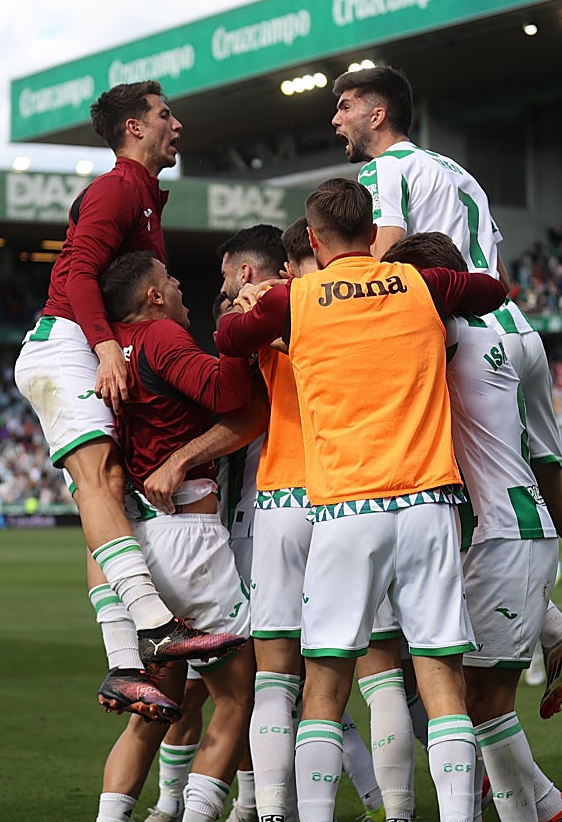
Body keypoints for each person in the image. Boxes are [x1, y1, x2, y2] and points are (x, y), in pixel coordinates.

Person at [330, 64, 562, 714]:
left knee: (455, 492)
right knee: (545, 487)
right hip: (517, 331)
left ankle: (536, 632)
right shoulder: (457, 171)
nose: (336, 119)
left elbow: (382, 264)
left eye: (345, 106)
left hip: (463, 335)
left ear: (377, 114)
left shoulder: (382, 174)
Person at [218, 178, 507, 822]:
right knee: (440, 679)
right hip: (430, 503)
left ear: (313, 240)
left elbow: (230, 341)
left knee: (323, 682)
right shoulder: (423, 286)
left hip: (346, 508)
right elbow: (493, 290)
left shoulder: (296, 300)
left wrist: (254, 301)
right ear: (374, 233)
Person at [13, 81, 242, 721]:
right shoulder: (118, 188)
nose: (178, 124)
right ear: (135, 129)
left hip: (79, 345)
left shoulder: (140, 196)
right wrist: (107, 347)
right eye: (165, 115)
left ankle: (123, 665)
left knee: (106, 497)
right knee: (100, 484)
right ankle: (150, 625)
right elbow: (80, 272)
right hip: (68, 343)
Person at [385, 232, 562, 822]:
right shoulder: (480, 334)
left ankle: (542, 814)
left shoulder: (445, 338)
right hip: (494, 532)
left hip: (506, 534)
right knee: (462, 697)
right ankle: (550, 810)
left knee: (488, 704)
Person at [219, 221, 390, 822]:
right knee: (367, 669)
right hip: (348, 494)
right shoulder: (359, 310)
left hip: (281, 498)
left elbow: (228, 344)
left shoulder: (272, 309)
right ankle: (389, 804)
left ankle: (269, 810)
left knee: (274, 674)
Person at [92, 250, 255, 822]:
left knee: (153, 712)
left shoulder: (113, 348)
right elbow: (227, 396)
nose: (181, 282)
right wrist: (237, 333)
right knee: (237, 698)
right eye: (170, 278)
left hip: (136, 542)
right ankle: (203, 813)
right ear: (153, 296)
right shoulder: (161, 334)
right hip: (191, 538)